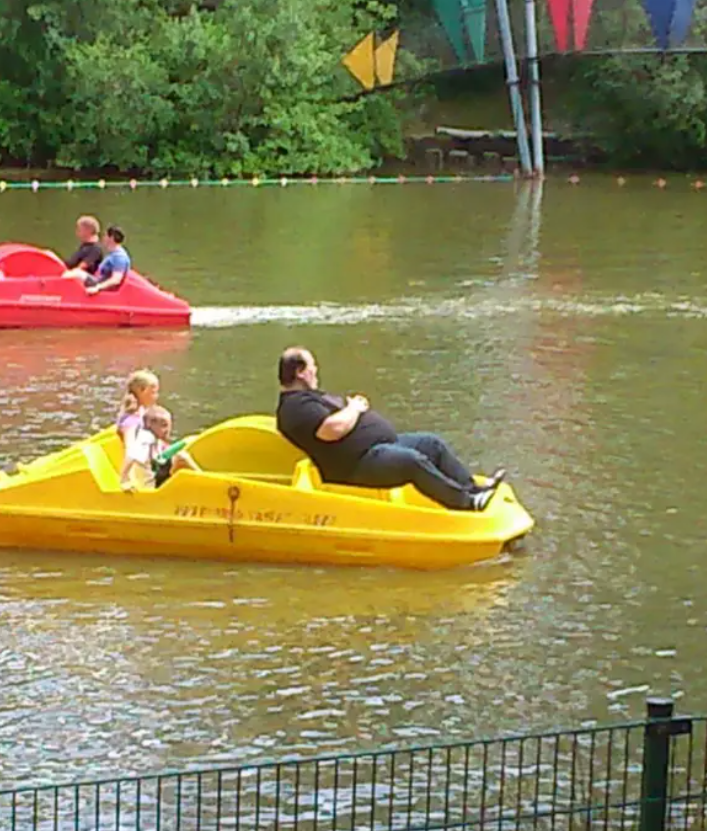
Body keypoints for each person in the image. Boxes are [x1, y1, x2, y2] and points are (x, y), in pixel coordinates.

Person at [276, 347, 506, 512]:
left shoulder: (307, 399)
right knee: (411, 461)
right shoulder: (295, 406)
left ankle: (472, 488)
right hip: (356, 466)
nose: (316, 370)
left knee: (431, 444)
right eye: (312, 366)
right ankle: (466, 503)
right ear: (300, 372)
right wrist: (355, 408)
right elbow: (331, 430)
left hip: (379, 447)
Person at [120, 404, 199, 491]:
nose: (168, 430)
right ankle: (204, 480)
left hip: (156, 476)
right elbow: (130, 456)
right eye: (164, 425)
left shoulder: (156, 440)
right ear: (150, 426)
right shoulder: (145, 440)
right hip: (150, 487)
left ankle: (196, 480)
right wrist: (124, 481)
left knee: (177, 458)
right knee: (182, 457)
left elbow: (164, 455)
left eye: (169, 425)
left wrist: (183, 443)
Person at [65, 225, 131, 294]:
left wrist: (97, 287)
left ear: (111, 238)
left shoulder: (119, 257)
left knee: (76, 273)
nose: (103, 238)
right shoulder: (113, 254)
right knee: (77, 272)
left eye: (105, 235)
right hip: (97, 281)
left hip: (99, 285)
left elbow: (116, 280)